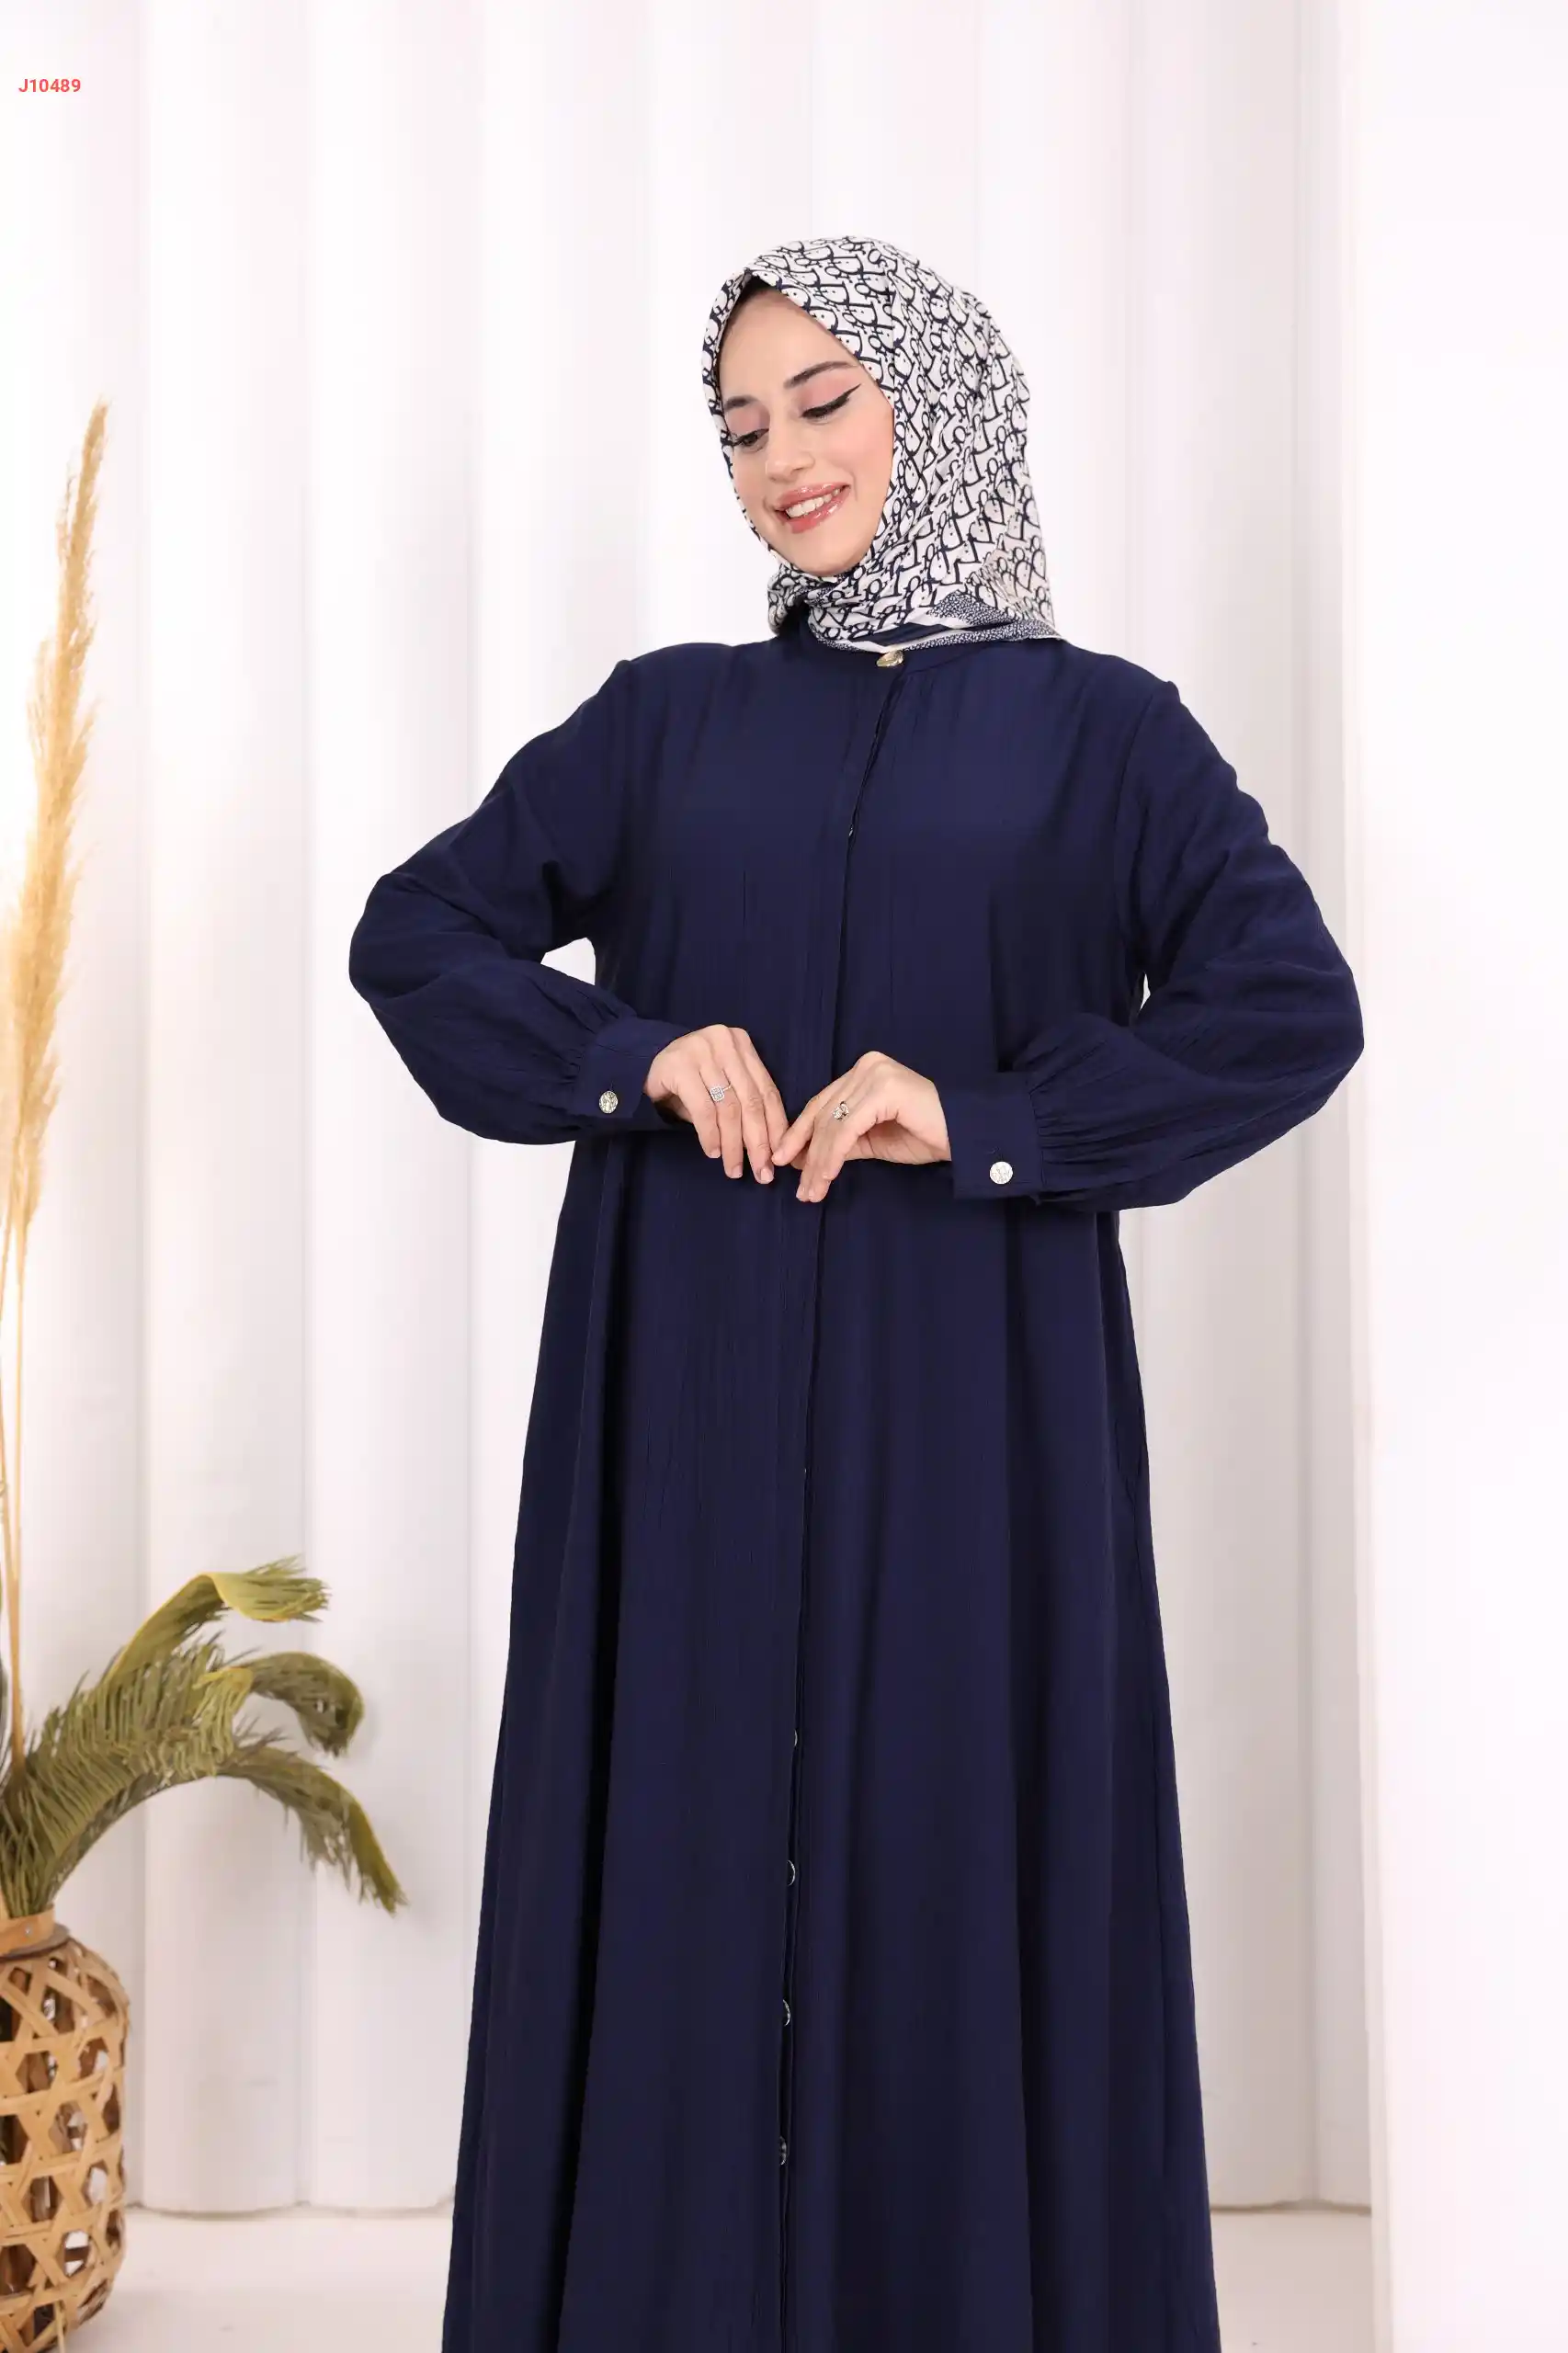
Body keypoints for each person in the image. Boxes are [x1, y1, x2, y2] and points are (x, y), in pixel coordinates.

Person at [347, 232, 1364, 2353]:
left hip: (972, 1406)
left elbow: (1286, 1006)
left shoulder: (1104, 738)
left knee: (948, 1837)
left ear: (942, 398)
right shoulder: (668, 721)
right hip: (683, 1395)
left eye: (824, 398)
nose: (780, 457)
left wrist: (986, 1115)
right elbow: (417, 929)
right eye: (740, 425)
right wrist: (630, 1056)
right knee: (679, 1835)